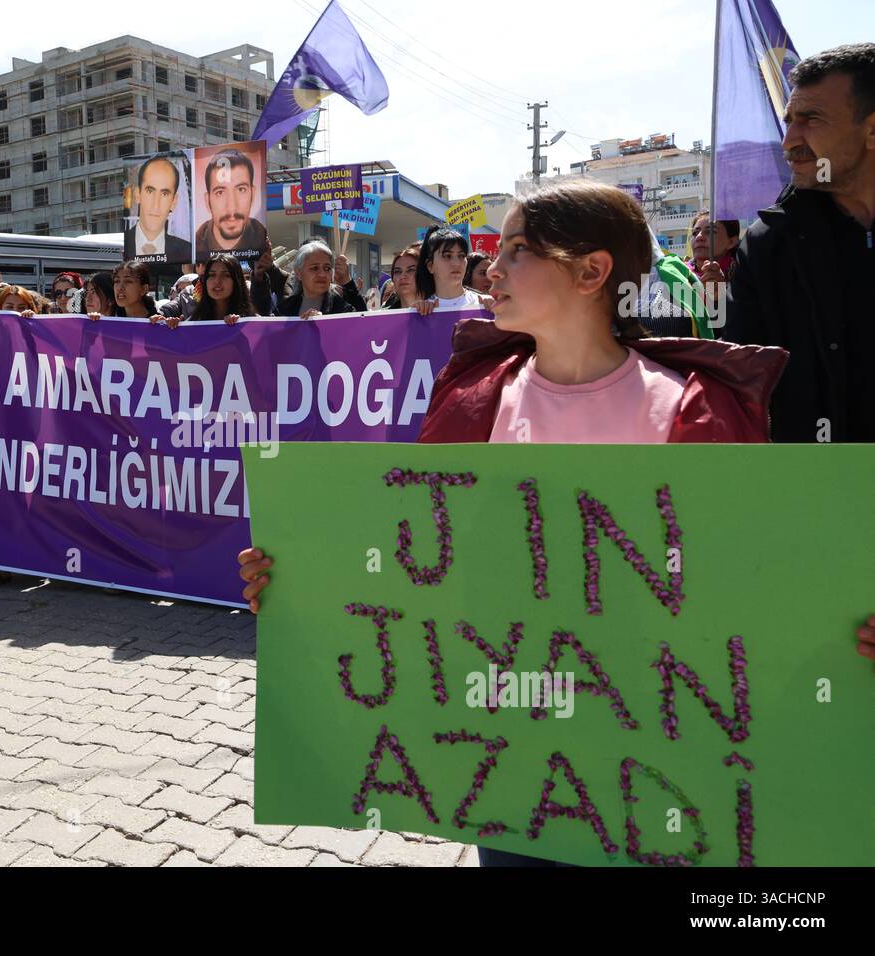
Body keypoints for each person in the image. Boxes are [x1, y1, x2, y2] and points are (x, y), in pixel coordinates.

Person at [238, 182, 790, 866]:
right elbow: (412, 563)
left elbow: (755, 587)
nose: (491, 267)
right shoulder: (475, 400)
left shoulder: (688, 411)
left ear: (592, 273)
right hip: (513, 760)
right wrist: (297, 582)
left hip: (656, 760)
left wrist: (836, 634)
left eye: (521, 250)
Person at [724, 42, 875, 443]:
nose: (789, 140)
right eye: (790, 120)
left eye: (811, 119)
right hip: (817, 494)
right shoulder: (767, 246)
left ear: (871, 129)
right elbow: (742, 390)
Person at [194, 148, 267, 255]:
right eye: (220, 192)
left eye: (241, 189)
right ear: (207, 200)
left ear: (253, 194)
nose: (232, 208)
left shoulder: (263, 244)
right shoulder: (192, 249)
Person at [274, 240, 367, 318]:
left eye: (327, 268)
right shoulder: (284, 309)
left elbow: (363, 328)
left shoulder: (343, 309)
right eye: (314, 268)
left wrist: (324, 324)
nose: (322, 274)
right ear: (298, 273)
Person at [126, 156, 192, 263]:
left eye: (165, 193)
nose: (156, 204)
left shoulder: (187, 251)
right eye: (150, 191)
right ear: (138, 194)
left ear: (173, 202)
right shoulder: (123, 247)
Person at [165, 256, 253, 328]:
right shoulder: (192, 322)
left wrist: (240, 327)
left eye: (226, 275)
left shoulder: (253, 322)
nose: (217, 281)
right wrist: (173, 327)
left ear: (237, 281)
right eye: (212, 275)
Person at [417, 226, 484, 309]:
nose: (456, 263)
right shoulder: (421, 311)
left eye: (461, 256)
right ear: (430, 265)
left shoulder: (483, 304)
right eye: (447, 256)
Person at [381, 243, 424, 310]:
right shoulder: (382, 317)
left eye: (411, 270)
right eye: (397, 271)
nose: (402, 276)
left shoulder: (439, 311)